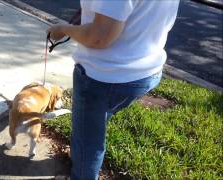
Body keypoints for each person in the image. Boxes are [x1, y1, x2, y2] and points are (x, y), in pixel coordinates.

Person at [47, 1, 180, 179]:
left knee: (88, 142)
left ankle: (82, 170)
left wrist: (64, 29)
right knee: (97, 120)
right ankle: (84, 150)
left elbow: (99, 37)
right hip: (146, 72)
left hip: (104, 78)